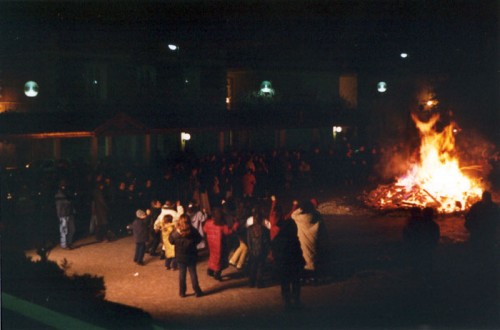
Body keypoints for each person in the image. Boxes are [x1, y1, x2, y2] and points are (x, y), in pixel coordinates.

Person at [272, 209, 305, 311]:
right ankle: (296, 301)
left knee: (285, 284)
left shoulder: (278, 239)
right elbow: (298, 253)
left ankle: (287, 303)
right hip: (293, 266)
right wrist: (301, 262)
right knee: (295, 283)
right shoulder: (294, 240)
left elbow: (275, 253)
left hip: (283, 266)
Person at [291, 199, 327, 283]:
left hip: (303, 241)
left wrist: (300, 208)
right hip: (314, 239)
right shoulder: (317, 216)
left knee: (305, 257)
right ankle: (314, 277)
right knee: (313, 256)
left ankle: (305, 277)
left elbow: (293, 214)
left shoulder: (300, 218)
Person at [169, 214, 203, 298]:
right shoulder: (193, 230)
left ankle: (182, 292)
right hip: (191, 255)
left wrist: (176, 233)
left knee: (182, 274)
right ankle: (197, 291)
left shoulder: (176, 232)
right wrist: (193, 242)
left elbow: (171, 241)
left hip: (180, 256)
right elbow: (199, 239)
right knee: (193, 273)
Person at [403, 207, 440, 280]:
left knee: (418, 261)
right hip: (426, 247)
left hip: (418, 246)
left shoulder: (414, 224)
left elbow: (406, 235)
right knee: (426, 261)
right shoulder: (431, 225)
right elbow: (436, 236)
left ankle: (417, 276)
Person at [203, 206, 239, 281]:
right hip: (220, 245)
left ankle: (210, 270)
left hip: (211, 244)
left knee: (212, 257)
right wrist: (235, 224)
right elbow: (229, 232)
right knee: (220, 260)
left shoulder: (208, 223)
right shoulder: (222, 226)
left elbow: (205, 230)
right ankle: (217, 273)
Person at [246, 207, 270, 288]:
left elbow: (249, 242)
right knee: (260, 267)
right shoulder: (264, 230)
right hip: (261, 251)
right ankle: (259, 283)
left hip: (253, 252)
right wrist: (267, 251)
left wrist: (250, 250)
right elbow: (266, 242)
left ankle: (251, 282)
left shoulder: (250, 229)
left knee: (253, 267)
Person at [55, 180, 76, 249]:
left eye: (64, 184)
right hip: (63, 215)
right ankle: (64, 245)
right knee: (64, 230)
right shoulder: (59, 194)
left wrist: (73, 210)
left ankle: (69, 243)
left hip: (69, 214)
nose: (64, 186)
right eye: (62, 184)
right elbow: (59, 206)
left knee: (72, 229)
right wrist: (59, 216)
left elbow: (70, 203)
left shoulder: (68, 193)